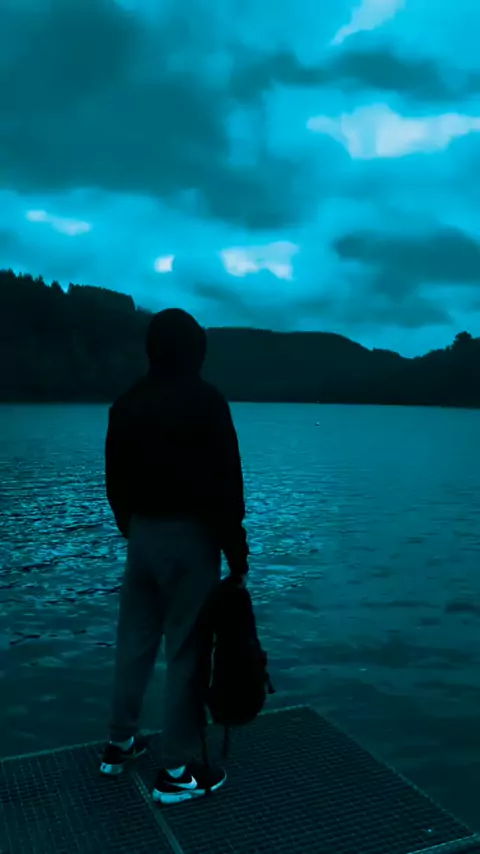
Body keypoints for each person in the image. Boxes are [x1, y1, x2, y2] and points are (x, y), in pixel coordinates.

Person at [99, 308, 249, 805]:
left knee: (134, 641)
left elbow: (114, 477)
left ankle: (120, 743)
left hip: (142, 535)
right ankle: (177, 771)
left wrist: (132, 526)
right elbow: (227, 483)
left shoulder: (126, 403)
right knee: (187, 650)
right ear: (195, 351)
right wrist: (237, 554)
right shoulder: (207, 401)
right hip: (191, 538)